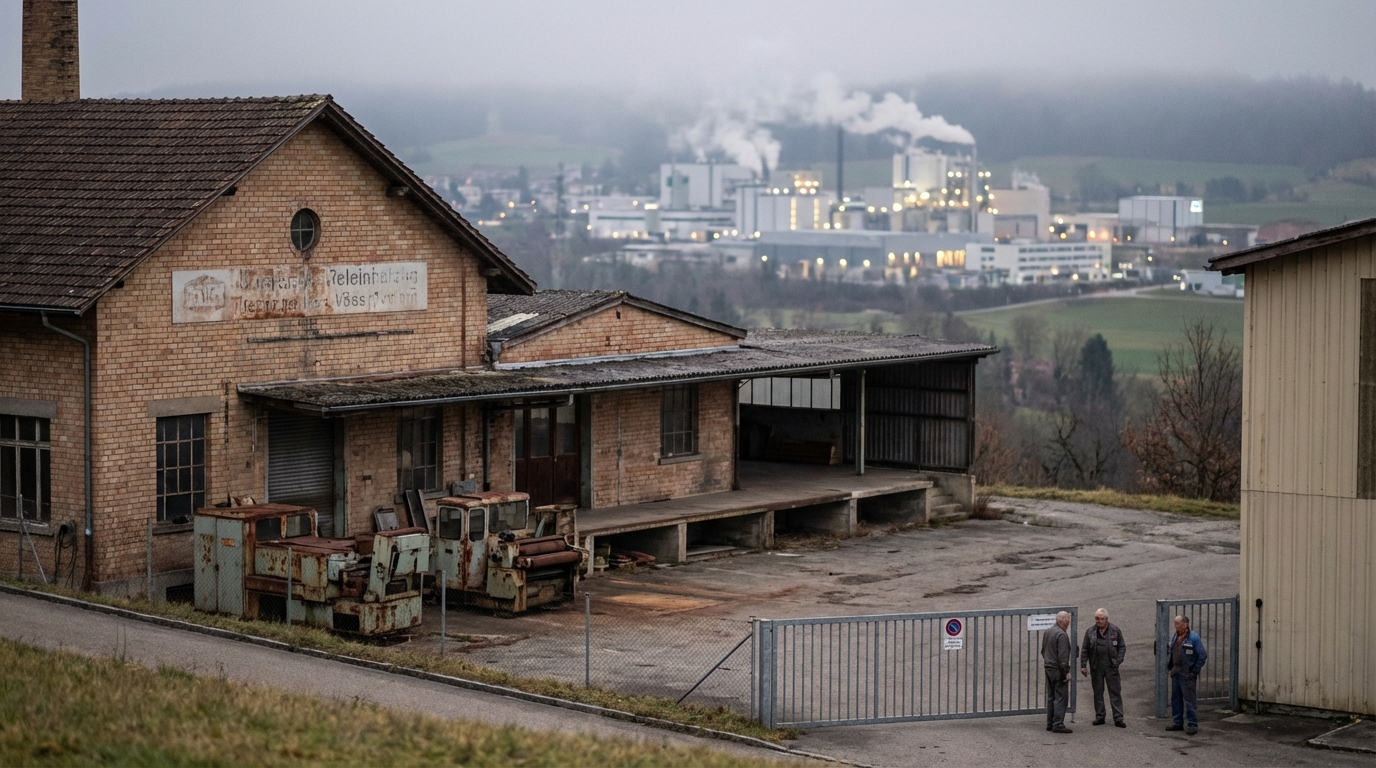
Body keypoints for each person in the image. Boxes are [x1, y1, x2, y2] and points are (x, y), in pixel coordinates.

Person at [1079, 608, 1127, 727]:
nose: (1099, 621)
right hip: (1096, 666)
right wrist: (1083, 665)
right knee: (1098, 692)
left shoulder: (1115, 630)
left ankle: (1118, 717)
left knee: (1115, 692)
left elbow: (1122, 646)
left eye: (1101, 619)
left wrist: (1118, 661)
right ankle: (1100, 716)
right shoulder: (1090, 632)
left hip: (1111, 666)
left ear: (1106, 619)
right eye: (1097, 619)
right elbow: (1085, 649)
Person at [1165, 614, 1208, 735]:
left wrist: (1194, 671)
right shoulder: (1176, 636)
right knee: (1176, 699)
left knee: (1189, 700)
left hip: (1187, 674)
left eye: (1178, 623)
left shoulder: (1194, 638)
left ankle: (1192, 723)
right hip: (1176, 672)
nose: (1176, 626)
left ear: (1185, 624)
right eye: (1175, 623)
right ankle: (1177, 722)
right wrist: (1171, 666)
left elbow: (1202, 655)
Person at [1041, 610, 1074, 733]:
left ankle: (1050, 723)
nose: (1068, 624)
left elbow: (1043, 651)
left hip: (1048, 667)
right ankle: (1058, 724)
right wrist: (1066, 672)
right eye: (1068, 621)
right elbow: (1063, 658)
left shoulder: (1048, 631)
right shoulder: (1062, 635)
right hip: (1057, 670)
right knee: (1061, 697)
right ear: (1064, 622)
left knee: (1051, 697)